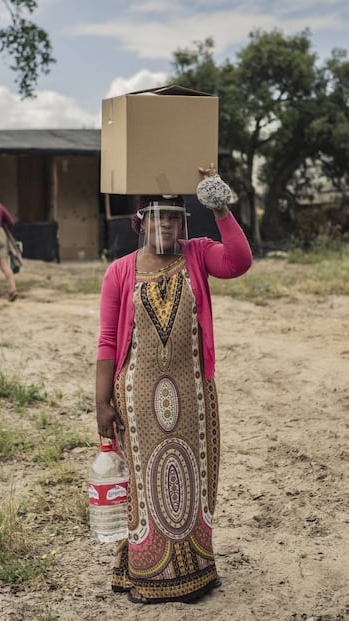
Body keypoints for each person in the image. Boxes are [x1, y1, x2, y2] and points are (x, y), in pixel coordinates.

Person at [95, 164, 253, 605]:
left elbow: (239, 260)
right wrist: (102, 402)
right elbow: (108, 339)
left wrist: (218, 203)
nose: (166, 224)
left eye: (174, 216)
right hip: (138, 399)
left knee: (196, 483)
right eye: (157, 216)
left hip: (194, 396)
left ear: (183, 221)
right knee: (145, 489)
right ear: (140, 221)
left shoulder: (199, 253)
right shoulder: (120, 272)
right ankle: (148, 577)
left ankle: (198, 573)